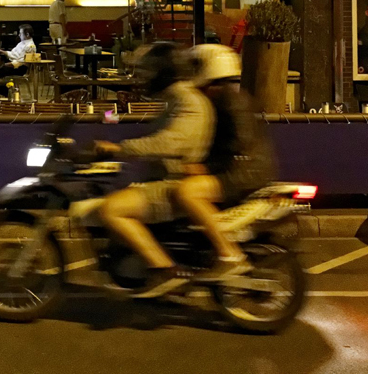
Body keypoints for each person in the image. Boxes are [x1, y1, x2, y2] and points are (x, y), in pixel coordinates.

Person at [86, 43, 216, 298]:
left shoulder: (187, 100)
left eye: (148, 72)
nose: (143, 78)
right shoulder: (175, 99)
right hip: (167, 179)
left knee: (112, 209)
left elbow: (169, 142)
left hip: (173, 184)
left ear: (163, 71)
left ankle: (164, 269)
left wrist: (118, 149)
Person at [182, 44, 275, 280]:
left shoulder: (226, 100)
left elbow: (236, 144)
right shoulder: (230, 96)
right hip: (247, 168)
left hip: (242, 171)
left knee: (188, 193)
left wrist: (205, 167)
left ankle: (229, 255)